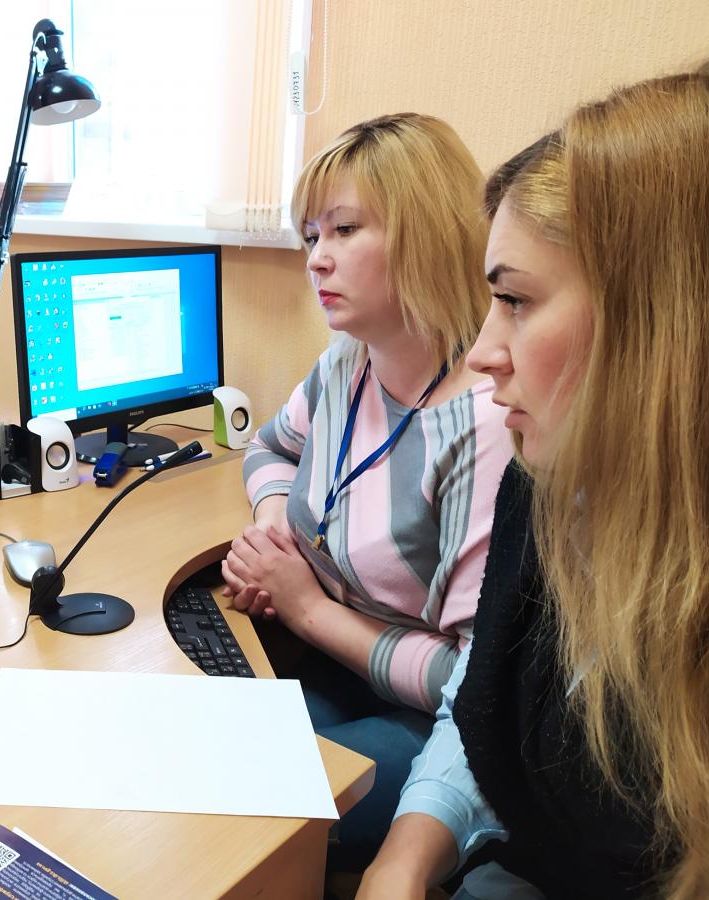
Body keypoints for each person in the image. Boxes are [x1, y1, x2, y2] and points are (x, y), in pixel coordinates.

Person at [359, 66, 709, 900]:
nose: (484, 353)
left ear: (661, 322)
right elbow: (487, 693)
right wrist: (400, 863)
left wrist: (309, 611)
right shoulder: (544, 477)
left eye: (515, 299)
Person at [221, 113, 514, 869]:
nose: (316, 259)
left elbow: (474, 682)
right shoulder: (348, 362)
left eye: (345, 230)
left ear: (427, 234)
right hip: (336, 663)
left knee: (247, 808)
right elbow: (269, 449)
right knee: (201, 739)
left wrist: (306, 608)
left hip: (431, 722)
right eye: (310, 235)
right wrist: (274, 536)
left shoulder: (484, 423)